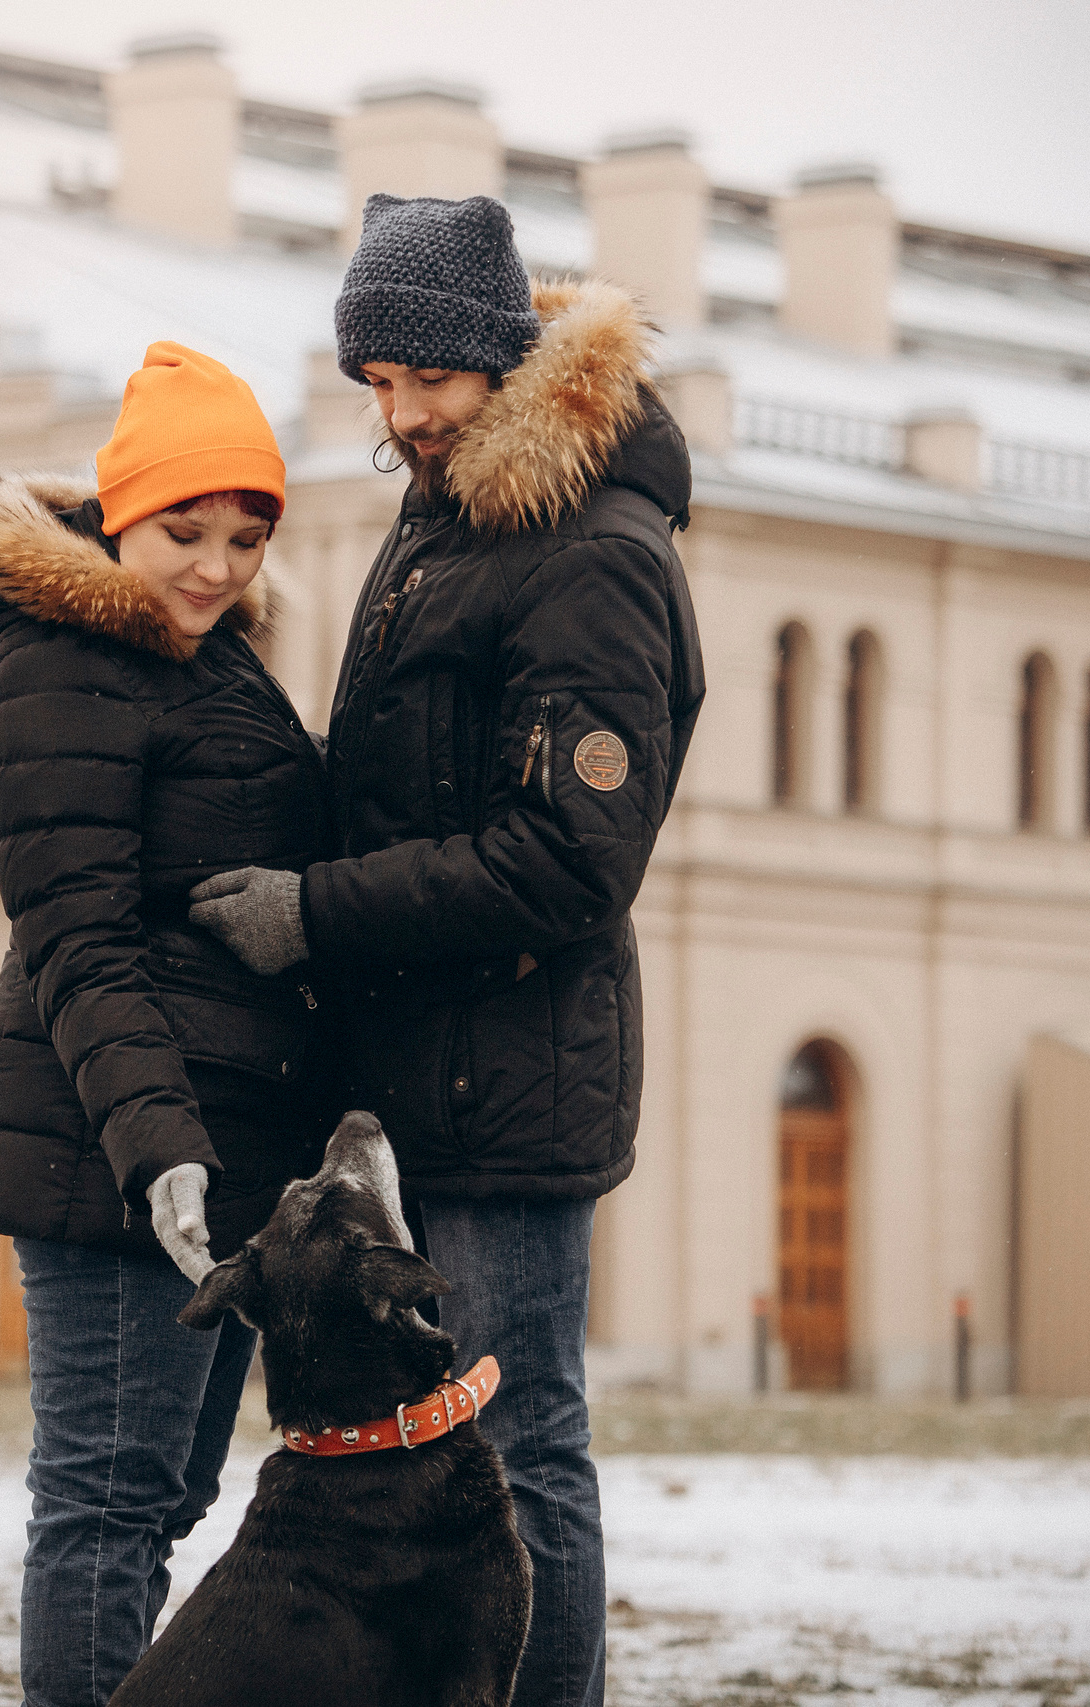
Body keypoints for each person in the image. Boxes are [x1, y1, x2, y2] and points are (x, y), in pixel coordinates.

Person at [189, 193, 706, 1707]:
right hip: (421, 1072)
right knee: (471, 1462)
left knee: (522, 1450)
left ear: (499, 360)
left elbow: (570, 857)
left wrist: (316, 909)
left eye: (426, 380)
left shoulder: (594, 553)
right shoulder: (451, 513)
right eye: (378, 385)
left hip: (517, 1083)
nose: (400, 415)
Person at [0, 342, 331, 1707]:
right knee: (105, 1512)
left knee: (155, 1505)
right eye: (186, 529)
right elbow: (77, 933)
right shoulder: (62, 657)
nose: (219, 565)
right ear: (121, 513)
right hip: (114, 1156)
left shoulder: (202, 660)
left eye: (247, 536)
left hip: (209, 1146)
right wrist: (160, 1143)